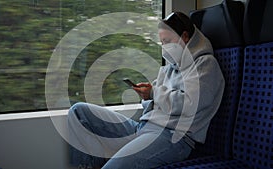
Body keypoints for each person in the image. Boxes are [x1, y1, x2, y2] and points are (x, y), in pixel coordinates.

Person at [67, 12, 225, 169]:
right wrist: (146, 96)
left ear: (184, 37)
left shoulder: (205, 64)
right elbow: (155, 103)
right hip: (143, 127)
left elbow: (190, 104)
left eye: (167, 41)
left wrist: (153, 93)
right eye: (162, 42)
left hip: (173, 137)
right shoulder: (169, 68)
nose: (164, 48)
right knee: (79, 112)